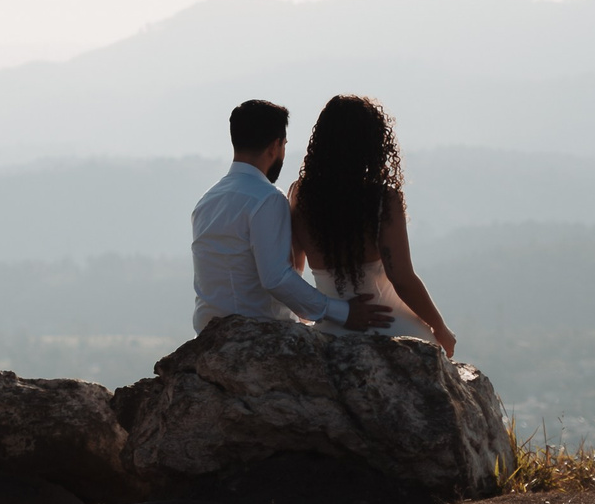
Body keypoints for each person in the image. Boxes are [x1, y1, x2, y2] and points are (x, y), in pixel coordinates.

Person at [192, 99, 395, 335]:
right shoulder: (267, 199)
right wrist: (343, 312)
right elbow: (276, 278)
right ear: (275, 146)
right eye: (284, 144)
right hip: (260, 332)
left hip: (208, 332)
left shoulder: (207, 200)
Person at [289, 94, 459, 356]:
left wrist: (313, 316)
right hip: (389, 327)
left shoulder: (299, 195)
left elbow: (294, 269)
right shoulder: (382, 200)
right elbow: (401, 278)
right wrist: (440, 328)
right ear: (373, 144)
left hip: (329, 328)